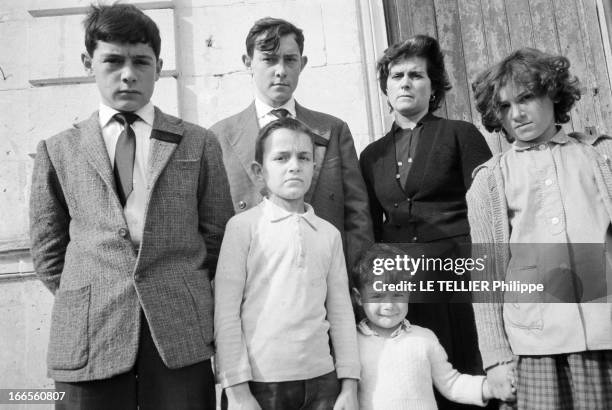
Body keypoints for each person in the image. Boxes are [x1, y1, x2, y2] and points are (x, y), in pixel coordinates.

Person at [28, 4, 233, 409]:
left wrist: (177, 286)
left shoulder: (197, 142)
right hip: (90, 336)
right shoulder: (58, 150)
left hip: (178, 333)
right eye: (113, 61)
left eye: (141, 61)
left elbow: (216, 235)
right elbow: (48, 253)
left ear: (159, 66)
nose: (128, 73)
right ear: (89, 63)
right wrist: (96, 291)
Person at [469, 48, 612, 409]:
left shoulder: (600, 158)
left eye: (526, 98)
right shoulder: (490, 181)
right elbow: (486, 277)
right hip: (536, 348)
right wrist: (497, 359)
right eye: (504, 106)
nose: (516, 114)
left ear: (553, 94)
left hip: (605, 335)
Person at [359, 35, 492, 409]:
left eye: (416, 75)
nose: (405, 82)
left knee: (464, 369)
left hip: (458, 273)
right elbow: (368, 223)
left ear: (433, 85)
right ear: (385, 87)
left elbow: (487, 209)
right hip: (402, 283)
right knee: (412, 378)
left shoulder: (460, 134)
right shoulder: (371, 155)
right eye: (397, 75)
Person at [214, 118, 360, 410]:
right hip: (261, 386)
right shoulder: (243, 227)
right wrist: (238, 391)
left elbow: (341, 312)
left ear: (314, 167)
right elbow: (226, 314)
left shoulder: (328, 234)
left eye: (303, 158)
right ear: (259, 171)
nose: (294, 166)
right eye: (281, 158)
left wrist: (349, 385)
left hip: (322, 382)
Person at [210, 17, 373, 270]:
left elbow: (357, 215)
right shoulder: (219, 137)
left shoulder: (333, 130)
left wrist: (357, 279)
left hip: (324, 278)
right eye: (269, 59)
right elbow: (211, 226)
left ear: (302, 63)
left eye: (290, 59)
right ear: (248, 63)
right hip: (252, 284)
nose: (280, 70)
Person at [352, 243, 512, 410]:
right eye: (377, 296)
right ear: (358, 297)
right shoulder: (352, 343)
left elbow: (452, 384)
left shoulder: (424, 338)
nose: (389, 305)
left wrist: (492, 387)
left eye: (398, 294)